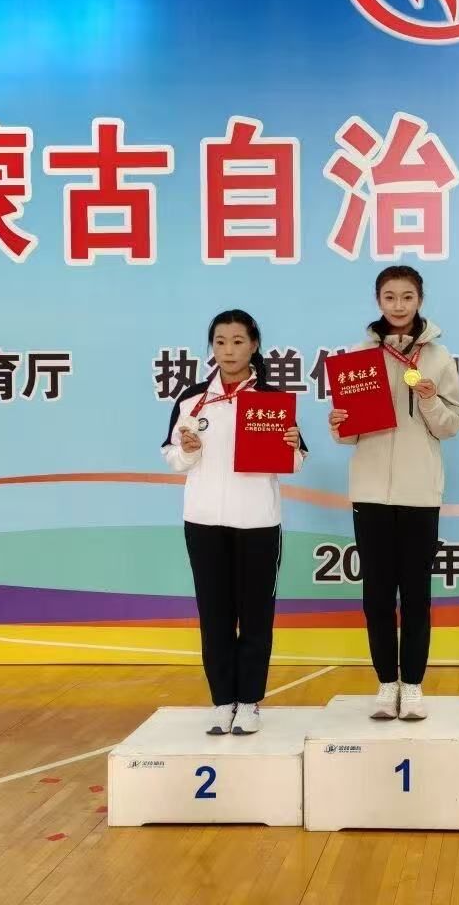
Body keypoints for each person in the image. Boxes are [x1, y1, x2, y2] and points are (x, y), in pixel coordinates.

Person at [329, 265, 459, 721]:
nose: (399, 305)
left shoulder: (439, 357)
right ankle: (387, 684)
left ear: (420, 300)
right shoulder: (357, 357)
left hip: (420, 492)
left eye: (407, 296)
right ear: (378, 301)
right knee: (377, 596)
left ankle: (414, 685)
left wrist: (429, 399)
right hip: (369, 492)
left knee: (417, 596)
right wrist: (339, 424)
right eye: (390, 297)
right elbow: (348, 435)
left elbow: (451, 425)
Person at [162, 309, 306, 735]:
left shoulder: (271, 400)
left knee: (256, 616)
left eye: (238, 341)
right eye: (220, 341)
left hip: (258, 522)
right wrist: (188, 450)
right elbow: (173, 457)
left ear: (254, 345)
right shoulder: (192, 399)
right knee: (215, 615)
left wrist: (291, 445)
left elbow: (296, 461)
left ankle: (249, 702)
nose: (228, 350)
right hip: (203, 522)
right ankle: (222, 700)